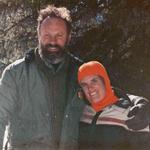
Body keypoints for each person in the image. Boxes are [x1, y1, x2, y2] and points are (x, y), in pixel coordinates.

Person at [0, 4, 150, 150]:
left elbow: (103, 92)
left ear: (68, 37)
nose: (53, 41)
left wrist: (137, 101)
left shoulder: (78, 71)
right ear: (38, 35)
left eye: (59, 35)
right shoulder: (15, 74)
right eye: (47, 35)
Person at [77, 61, 150, 150]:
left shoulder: (131, 114)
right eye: (84, 85)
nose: (90, 88)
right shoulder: (81, 111)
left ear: (105, 81)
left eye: (94, 81)